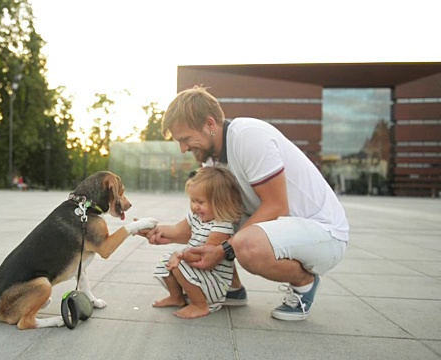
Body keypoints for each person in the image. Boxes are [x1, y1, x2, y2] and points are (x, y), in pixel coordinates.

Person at [145, 86, 349, 321]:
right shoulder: (210, 160)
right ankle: (232, 288)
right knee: (215, 218)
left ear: (210, 124)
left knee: (245, 246)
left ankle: (304, 284)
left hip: (324, 234)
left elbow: (276, 207)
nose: (183, 149)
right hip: (287, 228)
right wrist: (162, 232)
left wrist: (224, 250)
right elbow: (205, 221)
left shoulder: (249, 137)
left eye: (185, 139)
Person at [152, 167, 243, 319]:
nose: (195, 206)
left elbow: (203, 258)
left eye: (200, 201)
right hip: (198, 275)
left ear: (220, 203)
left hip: (214, 282)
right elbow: (175, 230)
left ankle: (200, 305)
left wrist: (180, 255)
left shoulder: (222, 226)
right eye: (192, 200)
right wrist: (151, 229)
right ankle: (177, 297)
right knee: (166, 260)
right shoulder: (197, 217)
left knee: (178, 263)